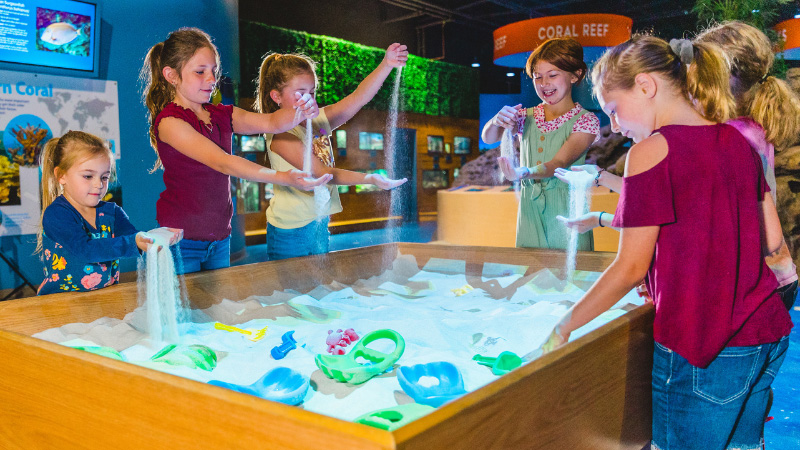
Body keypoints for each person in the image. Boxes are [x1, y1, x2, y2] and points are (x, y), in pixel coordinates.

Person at [543, 35, 792, 450]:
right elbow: (773, 241)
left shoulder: (651, 151)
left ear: (646, 86)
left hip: (702, 344)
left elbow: (630, 268)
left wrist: (563, 326)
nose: (616, 126)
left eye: (614, 110)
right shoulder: (738, 142)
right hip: (764, 333)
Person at [557, 21, 800, 310]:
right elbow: (678, 208)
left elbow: (689, 222)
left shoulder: (728, 138)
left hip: (752, 292)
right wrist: (601, 182)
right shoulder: (741, 133)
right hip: (770, 281)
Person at [141, 27, 332, 274]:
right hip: (181, 242)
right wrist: (283, 177)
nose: (211, 79)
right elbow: (223, 162)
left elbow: (272, 122)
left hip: (220, 239)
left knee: (218, 311)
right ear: (171, 75)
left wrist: (302, 108)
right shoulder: (170, 122)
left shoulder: (221, 114)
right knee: (186, 313)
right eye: (200, 72)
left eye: (213, 71)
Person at [254, 44, 408, 260]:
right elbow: (322, 173)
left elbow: (357, 98)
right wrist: (370, 178)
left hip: (318, 222)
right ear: (276, 96)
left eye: (312, 92)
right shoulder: (281, 134)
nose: (308, 98)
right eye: (300, 93)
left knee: (317, 289)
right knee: (294, 292)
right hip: (291, 230)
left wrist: (386, 65)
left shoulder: (316, 122)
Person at [481, 38, 599, 250]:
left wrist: (522, 172)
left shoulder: (586, 120)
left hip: (567, 211)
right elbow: (488, 138)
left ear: (575, 75)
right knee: (530, 273)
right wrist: (496, 120)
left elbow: (559, 163)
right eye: (538, 77)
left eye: (552, 75)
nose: (544, 84)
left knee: (572, 275)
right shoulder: (524, 116)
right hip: (529, 212)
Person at [37, 131, 181, 295]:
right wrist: (134, 241)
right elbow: (86, 250)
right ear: (61, 175)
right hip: (60, 304)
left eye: (104, 177)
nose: (99, 184)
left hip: (103, 298)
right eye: (88, 176)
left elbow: (132, 237)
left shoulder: (112, 212)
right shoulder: (57, 214)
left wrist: (153, 237)